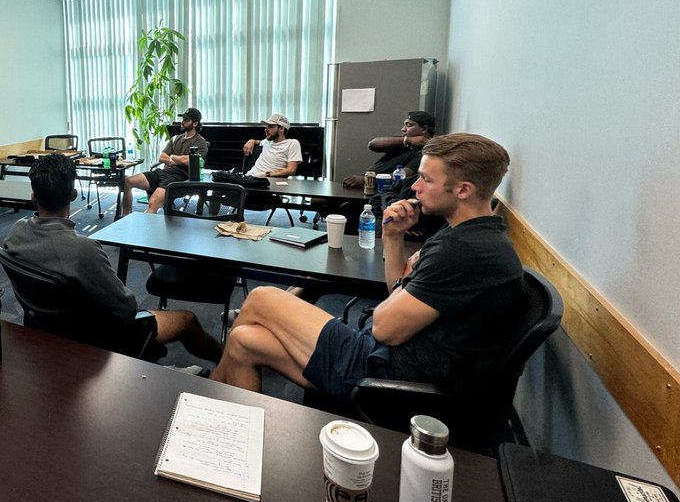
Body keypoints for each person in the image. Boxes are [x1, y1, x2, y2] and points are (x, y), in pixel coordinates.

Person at [210, 133, 524, 403]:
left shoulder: (463, 251)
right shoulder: (469, 234)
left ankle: (207, 394)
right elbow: (398, 293)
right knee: (243, 342)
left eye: (426, 179)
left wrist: (397, 296)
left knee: (263, 297)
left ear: (463, 190)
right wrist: (393, 235)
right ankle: (230, 429)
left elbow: (384, 326)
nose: (414, 186)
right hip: (392, 357)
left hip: (387, 376)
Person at [5, 154, 224, 362]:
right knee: (187, 320)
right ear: (73, 195)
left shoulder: (15, 233)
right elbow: (127, 308)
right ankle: (224, 366)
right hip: (98, 336)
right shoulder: (84, 250)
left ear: (33, 197)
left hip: (47, 330)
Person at [121, 107, 210, 215]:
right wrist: (176, 160)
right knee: (128, 181)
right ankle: (124, 217)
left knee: (153, 203)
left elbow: (187, 161)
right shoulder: (175, 138)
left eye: (186, 120)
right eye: (183, 119)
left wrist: (171, 156)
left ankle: (147, 229)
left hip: (178, 177)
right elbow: (162, 157)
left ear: (195, 123)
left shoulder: (200, 142)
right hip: (162, 172)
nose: (182, 122)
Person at [342, 111, 436, 188]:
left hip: (382, 191)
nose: (403, 129)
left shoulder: (425, 153)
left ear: (424, 129)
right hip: (368, 187)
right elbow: (373, 144)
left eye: (408, 125)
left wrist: (366, 180)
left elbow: (401, 176)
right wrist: (407, 140)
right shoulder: (405, 141)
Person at [243, 114, 302, 178]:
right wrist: (252, 141)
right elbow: (258, 141)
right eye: (266, 127)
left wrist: (267, 174)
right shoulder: (267, 141)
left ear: (281, 129)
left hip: (265, 180)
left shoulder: (292, 143)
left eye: (270, 127)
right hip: (249, 176)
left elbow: (291, 170)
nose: (266, 130)